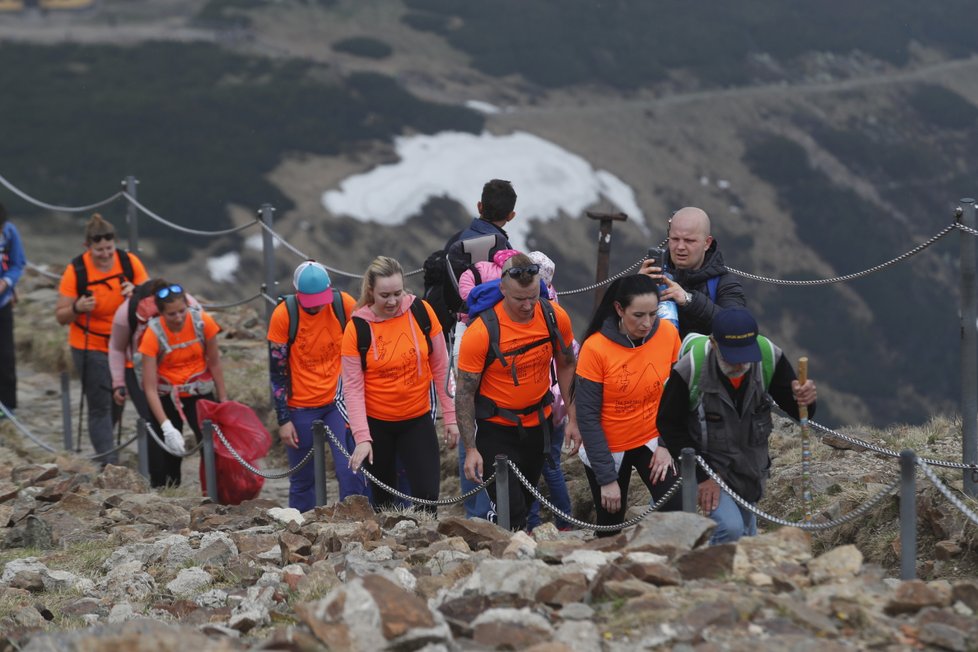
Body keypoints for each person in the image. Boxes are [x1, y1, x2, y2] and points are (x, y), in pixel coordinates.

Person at [657, 307, 817, 544]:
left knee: (745, 535)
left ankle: (726, 574)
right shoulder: (692, 368)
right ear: (713, 344)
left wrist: (806, 400)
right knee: (730, 529)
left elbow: (798, 412)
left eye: (745, 355)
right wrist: (703, 476)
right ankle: (707, 575)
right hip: (711, 464)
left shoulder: (769, 357)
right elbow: (668, 422)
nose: (739, 364)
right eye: (731, 356)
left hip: (750, 467)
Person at [457, 253, 580, 531]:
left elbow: (567, 364)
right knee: (511, 509)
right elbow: (465, 393)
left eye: (533, 297)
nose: (527, 306)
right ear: (503, 290)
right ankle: (507, 550)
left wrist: (573, 418)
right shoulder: (482, 332)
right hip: (497, 430)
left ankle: (512, 547)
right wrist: (471, 448)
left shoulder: (553, 316)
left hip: (539, 425)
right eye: (519, 299)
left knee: (525, 499)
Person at [343, 256, 458, 514]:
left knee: (428, 496)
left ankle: (426, 550)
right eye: (385, 295)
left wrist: (450, 417)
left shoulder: (422, 312)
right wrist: (362, 438)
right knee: (383, 501)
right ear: (371, 291)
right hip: (377, 423)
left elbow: (441, 366)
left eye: (397, 292)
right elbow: (352, 387)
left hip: (416, 419)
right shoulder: (356, 328)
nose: (392, 301)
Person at [575, 274, 684, 536]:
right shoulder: (595, 348)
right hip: (608, 447)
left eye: (653, 313)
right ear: (619, 309)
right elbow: (587, 416)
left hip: (652, 438)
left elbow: (678, 393)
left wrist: (667, 445)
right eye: (638, 315)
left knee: (676, 507)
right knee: (610, 522)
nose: (647, 323)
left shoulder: (668, 333)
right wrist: (606, 478)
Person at [268, 261, 368, 512]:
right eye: (310, 301)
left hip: (339, 403)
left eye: (321, 299)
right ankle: (301, 527)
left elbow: (365, 341)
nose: (317, 306)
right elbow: (277, 371)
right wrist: (283, 420)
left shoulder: (342, 304)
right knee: (303, 478)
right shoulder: (283, 314)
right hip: (300, 406)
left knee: (351, 469)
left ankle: (353, 522)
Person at [55, 214, 149, 465]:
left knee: (117, 400)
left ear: (115, 243)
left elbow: (151, 301)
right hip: (90, 344)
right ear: (88, 247)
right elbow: (61, 316)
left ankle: (106, 449)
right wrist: (77, 307)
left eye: (109, 248)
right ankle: (110, 465)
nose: (106, 254)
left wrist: (137, 293)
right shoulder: (76, 270)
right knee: (100, 406)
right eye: (99, 250)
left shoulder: (129, 262)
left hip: (124, 344)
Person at [139, 283, 227, 487]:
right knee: (169, 449)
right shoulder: (152, 334)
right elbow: (149, 387)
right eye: (171, 314)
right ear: (161, 313)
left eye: (181, 311)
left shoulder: (202, 322)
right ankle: (168, 491)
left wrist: (223, 400)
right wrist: (166, 426)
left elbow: (214, 363)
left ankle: (213, 490)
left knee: (211, 442)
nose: (178, 318)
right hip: (166, 394)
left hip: (199, 390)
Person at [639, 206, 746, 339]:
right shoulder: (651, 273)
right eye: (675, 239)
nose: (680, 247)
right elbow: (613, 325)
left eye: (689, 241)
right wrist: (633, 291)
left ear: (707, 243)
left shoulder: (724, 283)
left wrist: (689, 300)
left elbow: (738, 329)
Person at [525, 250, 573, 531]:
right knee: (551, 463)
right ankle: (564, 520)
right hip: (559, 403)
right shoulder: (558, 308)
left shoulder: (536, 312)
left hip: (540, 400)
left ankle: (530, 523)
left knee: (529, 466)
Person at [0, 202, 26, 413]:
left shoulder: (10, 232)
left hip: (3, 302)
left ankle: (7, 407)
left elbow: (18, 263)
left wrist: (7, 282)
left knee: (6, 356)